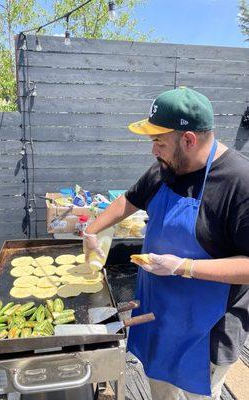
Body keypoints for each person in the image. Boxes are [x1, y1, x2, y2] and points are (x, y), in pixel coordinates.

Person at [83, 87, 249, 400]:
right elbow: (130, 199)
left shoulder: (240, 184)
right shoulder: (166, 168)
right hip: (157, 313)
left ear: (188, 139)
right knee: (159, 388)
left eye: (159, 141)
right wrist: (93, 229)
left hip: (206, 330)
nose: (153, 151)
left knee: (197, 394)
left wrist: (183, 267)